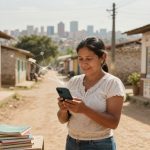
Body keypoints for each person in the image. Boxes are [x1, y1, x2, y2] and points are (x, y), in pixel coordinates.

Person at [57, 37, 125, 150]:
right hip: (72, 142)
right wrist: (63, 109)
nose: (84, 64)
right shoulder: (74, 81)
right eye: (81, 59)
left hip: (100, 145)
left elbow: (113, 123)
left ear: (102, 57)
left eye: (89, 58)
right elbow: (62, 120)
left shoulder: (112, 83)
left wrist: (84, 109)